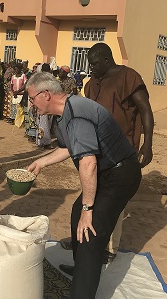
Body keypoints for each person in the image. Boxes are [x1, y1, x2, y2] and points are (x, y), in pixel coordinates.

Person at [26, 72, 141, 298]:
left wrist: (89, 209)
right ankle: (82, 271)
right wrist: (41, 162)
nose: (30, 104)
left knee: (90, 231)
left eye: (31, 98)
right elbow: (68, 148)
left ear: (46, 94)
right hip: (108, 172)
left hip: (120, 175)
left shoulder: (77, 114)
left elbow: (88, 164)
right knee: (77, 212)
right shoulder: (66, 112)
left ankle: (82, 290)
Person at [84, 42, 154, 262]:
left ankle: (109, 249)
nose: (92, 68)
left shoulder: (129, 77)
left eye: (95, 63)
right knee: (93, 197)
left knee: (114, 202)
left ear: (107, 60)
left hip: (122, 152)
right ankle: (91, 242)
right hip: (97, 150)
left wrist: (148, 143)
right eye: (90, 64)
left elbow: (145, 111)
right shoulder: (91, 84)